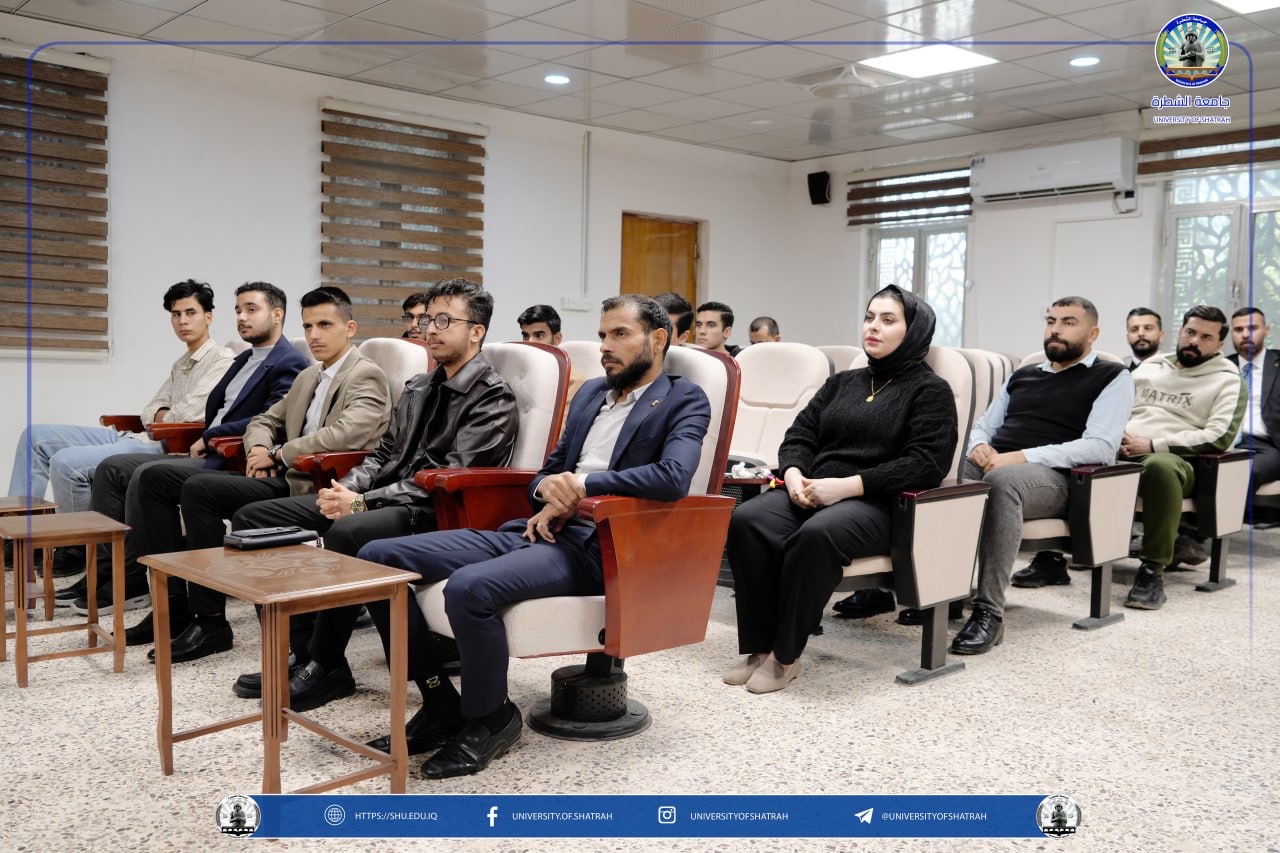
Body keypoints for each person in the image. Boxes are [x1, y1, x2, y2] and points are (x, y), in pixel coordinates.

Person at [357, 294, 710, 778]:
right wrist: (549, 489)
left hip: (600, 545)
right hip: (539, 529)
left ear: (659, 339)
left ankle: (491, 718)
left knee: (470, 588)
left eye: (620, 334)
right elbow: (546, 473)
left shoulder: (683, 398)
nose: (605, 346)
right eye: (603, 335)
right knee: (377, 559)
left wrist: (582, 487)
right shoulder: (591, 394)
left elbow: (673, 476)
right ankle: (439, 702)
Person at [192, 278, 518, 708]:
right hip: (384, 499)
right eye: (427, 320)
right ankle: (300, 653)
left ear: (476, 331)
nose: (430, 329)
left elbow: (446, 478)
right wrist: (344, 488)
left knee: (349, 532)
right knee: (255, 518)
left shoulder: (491, 396)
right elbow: (382, 454)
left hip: (435, 510)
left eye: (444, 320)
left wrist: (362, 502)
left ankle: (327, 664)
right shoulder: (420, 387)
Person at [94, 287, 393, 659]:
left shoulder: (366, 374)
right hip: (286, 477)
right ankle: (195, 616)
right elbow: (264, 420)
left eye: (325, 325)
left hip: (322, 484)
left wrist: (278, 453)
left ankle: (224, 626)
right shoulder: (310, 376)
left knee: (230, 505)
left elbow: (345, 434)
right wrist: (258, 449)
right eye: (308, 326)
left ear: (350, 328)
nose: (314, 334)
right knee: (187, 486)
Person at [725, 285, 957, 693]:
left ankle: (785, 657)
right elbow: (800, 434)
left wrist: (849, 486)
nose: (873, 327)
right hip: (815, 490)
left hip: (879, 504)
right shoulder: (842, 382)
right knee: (748, 519)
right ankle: (759, 647)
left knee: (818, 534)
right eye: (869, 317)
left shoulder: (930, 390)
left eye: (888, 320)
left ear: (914, 330)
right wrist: (793, 474)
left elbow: (926, 463)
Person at [59, 282, 307, 615]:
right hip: (207, 448)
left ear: (277, 315)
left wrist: (211, 436)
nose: (241, 317)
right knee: (112, 468)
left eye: (251, 309)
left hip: (230, 457)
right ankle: (110, 577)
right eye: (238, 310)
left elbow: (271, 418)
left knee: (149, 476)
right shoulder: (244, 359)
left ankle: (160, 595)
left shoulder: (288, 362)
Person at [949, 297, 1134, 655]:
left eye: (1068, 322)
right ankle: (943, 595)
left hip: (1057, 479)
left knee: (1002, 483)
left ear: (1093, 333)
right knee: (942, 473)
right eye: (1051, 321)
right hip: (1001, 462)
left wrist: (1021, 457)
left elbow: (1100, 446)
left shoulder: (1112, 376)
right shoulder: (1023, 375)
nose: (1055, 329)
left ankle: (989, 612)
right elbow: (984, 425)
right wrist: (979, 445)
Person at [7, 279, 234, 515]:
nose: (182, 321)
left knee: (65, 462)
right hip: (138, 437)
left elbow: (184, 415)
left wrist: (160, 416)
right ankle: (18, 526)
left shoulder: (222, 360)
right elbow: (150, 410)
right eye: (176, 314)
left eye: (190, 313)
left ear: (208, 317)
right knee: (35, 437)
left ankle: (80, 537)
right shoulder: (181, 364)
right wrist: (159, 415)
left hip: (163, 446)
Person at [1120, 305, 1246, 609]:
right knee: (1071, 453)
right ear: (1180, 331)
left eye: (1206, 337)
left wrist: (1153, 445)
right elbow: (1115, 405)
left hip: (1176, 461)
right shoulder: (1150, 367)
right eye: (1190, 332)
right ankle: (1051, 558)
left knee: (1160, 468)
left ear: (1220, 344)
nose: (1194, 341)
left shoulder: (1228, 380)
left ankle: (1152, 570)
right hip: (1120, 447)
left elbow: (1220, 436)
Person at [1228, 307, 1280, 495]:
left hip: (1269, 446)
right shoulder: (1221, 367)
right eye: (1238, 329)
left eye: (1252, 328)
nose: (1245, 335)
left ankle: (1224, 515)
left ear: (1266, 330)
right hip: (1228, 442)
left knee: (1245, 473)